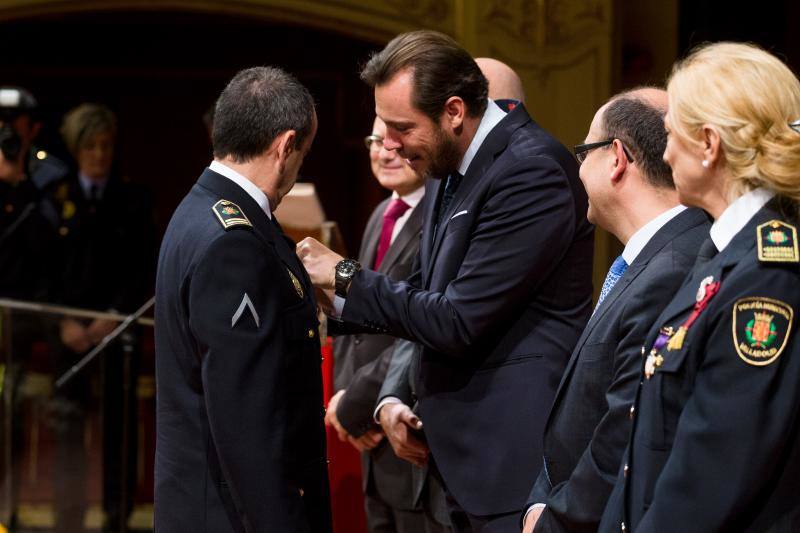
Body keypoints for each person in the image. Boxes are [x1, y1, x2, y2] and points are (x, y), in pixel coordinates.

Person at [297, 30, 594, 532]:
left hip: (507, 465)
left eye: (400, 127)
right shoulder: (449, 164)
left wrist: (345, 274)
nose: (387, 143)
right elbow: (422, 284)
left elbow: (458, 318)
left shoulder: (531, 170)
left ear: (454, 111)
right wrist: (333, 298)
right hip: (450, 458)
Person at [599, 42, 800, 533]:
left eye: (670, 136)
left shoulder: (767, 274)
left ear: (709, 145)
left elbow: (714, 468)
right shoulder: (721, 252)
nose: (664, 154)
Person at [521, 88, 709, 533]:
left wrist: (556, 519)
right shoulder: (653, 257)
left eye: (583, 151)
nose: (578, 167)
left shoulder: (676, 266)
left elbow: (625, 426)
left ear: (616, 158)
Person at [154, 66, 331, 532]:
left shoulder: (200, 208)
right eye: (304, 153)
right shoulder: (234, 242)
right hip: (233, 516)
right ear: (285, 145)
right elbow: (248, 424)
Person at [326, 116, 451, 532]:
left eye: (397, 142)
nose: (385, 152)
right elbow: (353, 316)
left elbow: (416, 328)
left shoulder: (440, 218)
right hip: (367, 436)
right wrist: (344, 400)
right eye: (376, 141)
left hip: (403, 428)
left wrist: (356, 405)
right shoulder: (382, 212)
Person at [48, 102, 156, 532]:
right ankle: (67, 516)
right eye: (91, 147)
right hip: (68, 334)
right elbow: (45, 269)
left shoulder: (132, 199)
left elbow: (143, 265)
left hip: (116, 333)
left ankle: (117, 514)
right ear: (76, 150)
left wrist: (114, 316)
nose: (99, 155)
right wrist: (63, 321)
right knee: (68, 429)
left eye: (106, 146)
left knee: (119, 431)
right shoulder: (57, 200)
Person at [0, 85, 68, 191]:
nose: (7, 128)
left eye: (15, 119)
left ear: (34, 129)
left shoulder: (52, 174)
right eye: (2, 118)